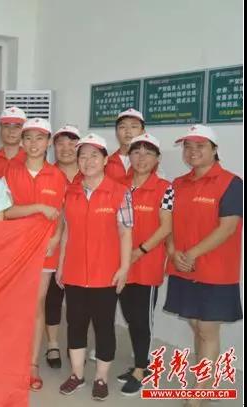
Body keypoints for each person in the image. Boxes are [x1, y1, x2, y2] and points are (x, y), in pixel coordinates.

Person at [164, 125, 242, 407]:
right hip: (183, 268)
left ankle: (200, 391)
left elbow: (228, 227)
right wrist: (172, 250)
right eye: (188, 146)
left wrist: (192, 253)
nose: (192, 151)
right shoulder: (176, 184)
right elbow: (167, 222)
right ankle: (204, 380)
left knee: (207, 329)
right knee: (197, 326)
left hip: (215, 270)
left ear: (214, 149)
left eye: (200, 146)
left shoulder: (232, 183)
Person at [56, 134, 133, 401]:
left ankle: (101, 378)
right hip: (75, 272)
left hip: (106, 273)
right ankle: (77, 375)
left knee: (104, 327)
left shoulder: (120, 192)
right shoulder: (71, 192)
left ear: (105, 159)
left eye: (94, 156)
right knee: (75, 325)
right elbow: (67, 232)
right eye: (83, 156)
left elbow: (125, 232)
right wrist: (61, 266)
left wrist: (124, 267)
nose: (88, 161)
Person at [4, 118, 67, 391]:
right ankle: (11, 359)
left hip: (45, 249)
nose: (33, 144)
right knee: (14, 304)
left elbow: (61, 214)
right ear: (21, 141)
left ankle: (31, 364)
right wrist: (39, 207)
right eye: (28, 138)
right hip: (15, 249)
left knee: (36, 304)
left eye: (39, 138)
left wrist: (56, 237)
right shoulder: (10, 172)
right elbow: (6, 211)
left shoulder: (57, 176)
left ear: (48, 142)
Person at [116, 133, 173, 396]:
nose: (141, 158)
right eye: (136, 152)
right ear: (129, 156)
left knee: (141, 320)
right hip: (121, 264)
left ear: (157, 158)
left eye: (148, 153)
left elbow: (166, 227)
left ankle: (141, 369)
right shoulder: (119, 185)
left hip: (146, 265)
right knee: (129, 316)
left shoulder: (165, 188)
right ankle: (140, 363)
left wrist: (139, 251)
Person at [44, 124, 82, 370]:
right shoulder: (48, 174)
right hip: (54, 244)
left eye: (72, 144)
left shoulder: (89, 173)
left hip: (82, 246)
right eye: (61, 143)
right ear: (53, 146)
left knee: (80, 301)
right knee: (53, 297)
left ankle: (77, 345)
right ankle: (53, 343)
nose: (66, 148)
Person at [0, 106, 27, 177]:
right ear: (0, 129)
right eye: (7, 126)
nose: (11, 131)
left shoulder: (31, 160)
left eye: (17, 127)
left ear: (24, 130)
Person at [105, 108, 146, 182]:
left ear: (143, 132)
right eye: (122, 127)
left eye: (134, 126)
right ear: (116, 132)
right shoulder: (105, 163)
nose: (128, 131)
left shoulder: (149, 163)